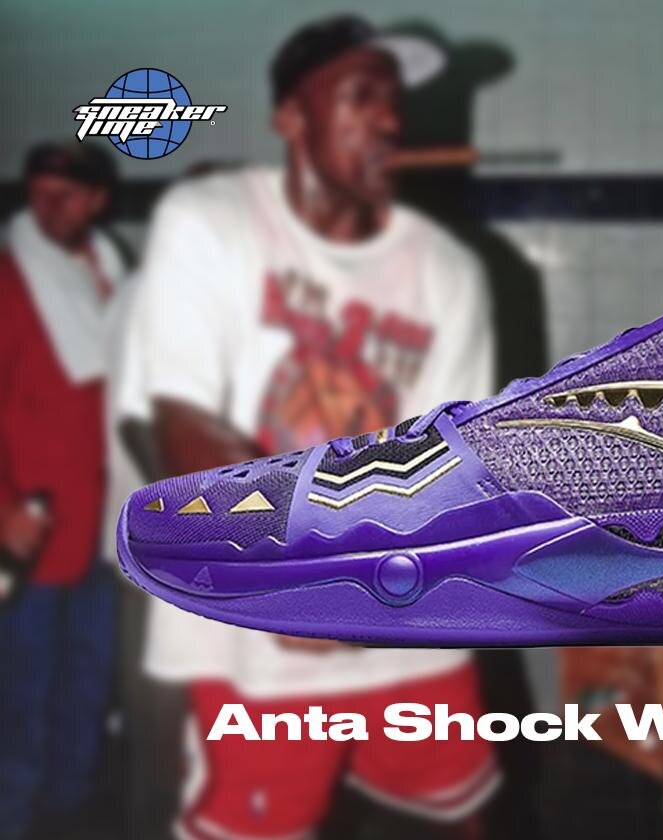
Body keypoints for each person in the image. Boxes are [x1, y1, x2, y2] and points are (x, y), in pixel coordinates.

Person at [120, 15, 499, 839]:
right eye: (361, 96)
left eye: (396, 101)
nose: (391, 120)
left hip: (408, 607)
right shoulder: (210, 221)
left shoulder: (450, 272)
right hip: (253, 616)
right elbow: (183, 417)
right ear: (291, 117)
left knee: (459, 809)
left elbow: (457, 461)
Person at [0, 142, 124, 839]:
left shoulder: (111, 271)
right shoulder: (10, 282)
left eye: (67, 194)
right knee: (23, 690)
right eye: (39, 191)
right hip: (33, 525)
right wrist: (2, 509)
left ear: (99, 200)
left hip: (103, 522)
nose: (49, 206)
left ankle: (70, 811)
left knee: (88, 678)